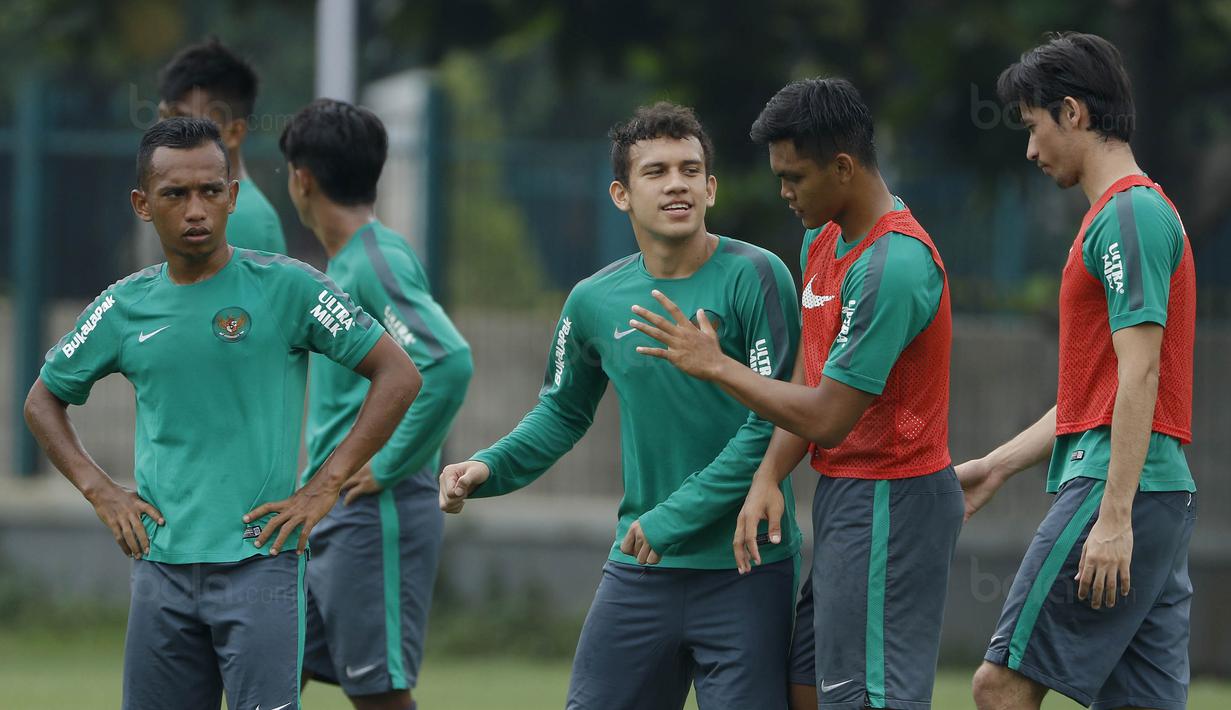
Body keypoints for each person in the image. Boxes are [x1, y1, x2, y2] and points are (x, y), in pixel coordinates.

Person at [23, 117, 421, 710]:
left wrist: (324, 486)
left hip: (261, 564)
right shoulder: (124, 305)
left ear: (233, 196)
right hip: (160, 569)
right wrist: (101, 491)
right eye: (175, 194)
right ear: (142, 204)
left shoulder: (289, 289)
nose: (196, 210)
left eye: (211, 191)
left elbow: (399, 374)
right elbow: (42, 400)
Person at [439, 102, 802, 710]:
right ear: (621, 195)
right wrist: (489, 467)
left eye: (690, 170)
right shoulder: (592, 301)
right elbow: (561, 411)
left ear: (711, 188)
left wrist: (671, 517)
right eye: (656, 172)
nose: (677, 183)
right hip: (642, 566)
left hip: (747, 567)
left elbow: (775, 419)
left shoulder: (758, 277)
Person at [630, 79, 962, 710]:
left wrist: (719, 367)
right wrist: (768, 475)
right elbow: (810, 374)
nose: (783, 192)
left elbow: (830, 416)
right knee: (806, 690)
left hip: (892, 501)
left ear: (843, 167)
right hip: (845, 498)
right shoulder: (824, 239)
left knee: (866, 700)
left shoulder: (892, 266)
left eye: (795, 177)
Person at [959, 32, 1197, 710]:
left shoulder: (1127, 215)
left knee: (999, 685)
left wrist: (1113, 516)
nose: (1030, 150)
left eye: (1033, 128)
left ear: (1071, 112)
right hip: (1153, 496)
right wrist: (998, 464)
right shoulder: (1124, 215)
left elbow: (1139, 374)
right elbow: (1094, 396)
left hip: (1119, 492)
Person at [285, 98, 473, 710]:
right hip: (332, 514)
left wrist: (385, 464)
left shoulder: (375, 260)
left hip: (375, 514)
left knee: (381, 694)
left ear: (301, 178)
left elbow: (447, 360)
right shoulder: (350, 262)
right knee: (272, 675)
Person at [159, 37, 287, 253]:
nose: (165, 132)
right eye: (164, 116)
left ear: (234, 133)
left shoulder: (239, 219)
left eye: (183, 120)